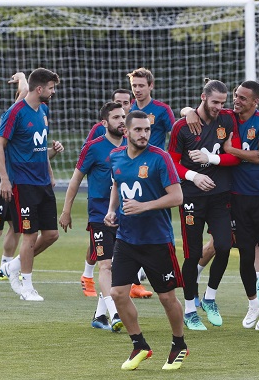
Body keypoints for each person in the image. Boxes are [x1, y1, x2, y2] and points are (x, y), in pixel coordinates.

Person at [105, 110, 187, 370]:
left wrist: (144, 206)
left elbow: (177, 197)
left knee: (166, 298)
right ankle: (139, 344)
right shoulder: (115, 157)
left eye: (147, 130)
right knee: (117, 293)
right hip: (126, 238)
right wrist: (111, 210)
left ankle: (179, 344)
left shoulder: (160, 158)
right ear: (126, 132)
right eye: (138, 130)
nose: (143, 134)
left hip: (157, 241)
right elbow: (117, 184)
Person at [168, 78, 240, 330]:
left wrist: (213, 158)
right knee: (193, 254)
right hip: (191, 197)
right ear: (203, 97)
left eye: (223, 102)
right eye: (215, 102)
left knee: (223, 246)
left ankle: (209, 298)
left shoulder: (227, 120)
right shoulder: (182, 128)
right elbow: (172, 163)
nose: (219, 107)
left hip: (220, 196)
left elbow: (235, 156)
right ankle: (189, 310)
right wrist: (194, 176)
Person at [79, 88, 153, 299]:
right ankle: (92, 282)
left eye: (124, 109)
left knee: (121, 252)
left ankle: (108, 307)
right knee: (106, 260)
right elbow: (81, 170)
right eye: (117, 112)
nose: (122, 117)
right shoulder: (97, 139)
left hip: (127, 207)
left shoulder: (136, 137)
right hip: (100, 207)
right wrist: (67, 209)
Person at [59, 101, 126, 332]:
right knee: (106, 265)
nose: (121, 121)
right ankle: (116, 313)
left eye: (123, 116)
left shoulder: (131, 146)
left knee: (118, 266)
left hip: (125, 215)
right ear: (105, 123)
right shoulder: (94, 147)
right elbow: (76, 179)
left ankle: (100, 316)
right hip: (99, 215)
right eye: (116, 117)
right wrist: (66, 210)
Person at [221, 80, 259, 330]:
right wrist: (188, 111)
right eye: (236, 95)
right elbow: (200, 110)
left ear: (255, 102)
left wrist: (231, 150)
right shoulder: (227, 118)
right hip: (237, 197)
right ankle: (253, 303)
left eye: (243, 98)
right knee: (245, 255)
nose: (237, 100)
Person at [0, 68, 61, 301]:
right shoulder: (15, 112)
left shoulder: (42, 109)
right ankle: (27, 287)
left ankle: (12, 266)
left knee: (52, 234)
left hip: (42, 181)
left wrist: (51, 171)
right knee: (30, 236)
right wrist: (4, 178)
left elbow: (39, 146)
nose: (53, 92)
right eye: (51, 88)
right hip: (22, 184)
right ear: (39, 88)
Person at [0, 73, 28, 281]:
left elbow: (24, 94)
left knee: (16, 227)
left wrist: (23, 78)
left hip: (7, 176)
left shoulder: (3, 117)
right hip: (1, 177)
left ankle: (4, 268)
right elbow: (25, 92)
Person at [127, 67, 175, 150]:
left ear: (151, 86)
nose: (137, 90)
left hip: (154, 160)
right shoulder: (127, 107)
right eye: (134, 86)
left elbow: (175, 136)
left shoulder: (163, 109)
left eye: (141, 86)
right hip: (131, 159)